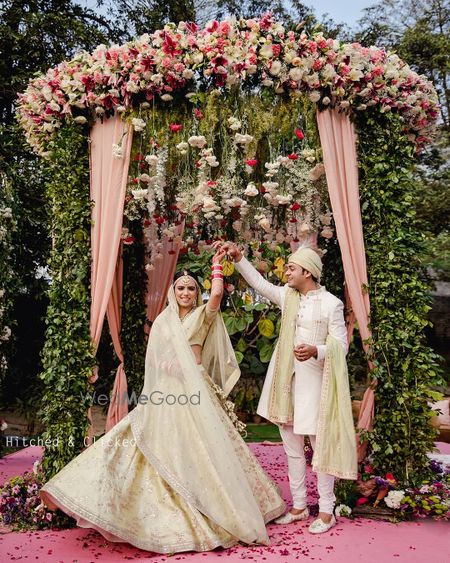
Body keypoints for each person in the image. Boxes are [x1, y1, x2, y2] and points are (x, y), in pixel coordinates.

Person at [40, 248, 285, 553]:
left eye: (191, 289)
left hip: (195, 392)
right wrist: (166, 367)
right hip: (166, 393)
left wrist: (216, 267)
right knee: (144, 439)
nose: (185, 293)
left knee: (206, 449)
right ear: (173, 291)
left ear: (197, 294)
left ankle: (215, 507)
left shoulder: (202, 315)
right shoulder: (162, 322)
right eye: (181, 288)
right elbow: (154, 362)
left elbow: (218, 295)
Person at [215, 241, 357, 534]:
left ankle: (327, 511)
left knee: (320, 448)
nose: (286, 273)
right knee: (292, 447)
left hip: (316, 385)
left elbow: (341, 346)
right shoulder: (287, 297)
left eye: (291, 268)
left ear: (307, 271)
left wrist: (317, 350)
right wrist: (238, 257)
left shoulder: (332, 303)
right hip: (286, 385)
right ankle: (299, 505)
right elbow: (258, 282)